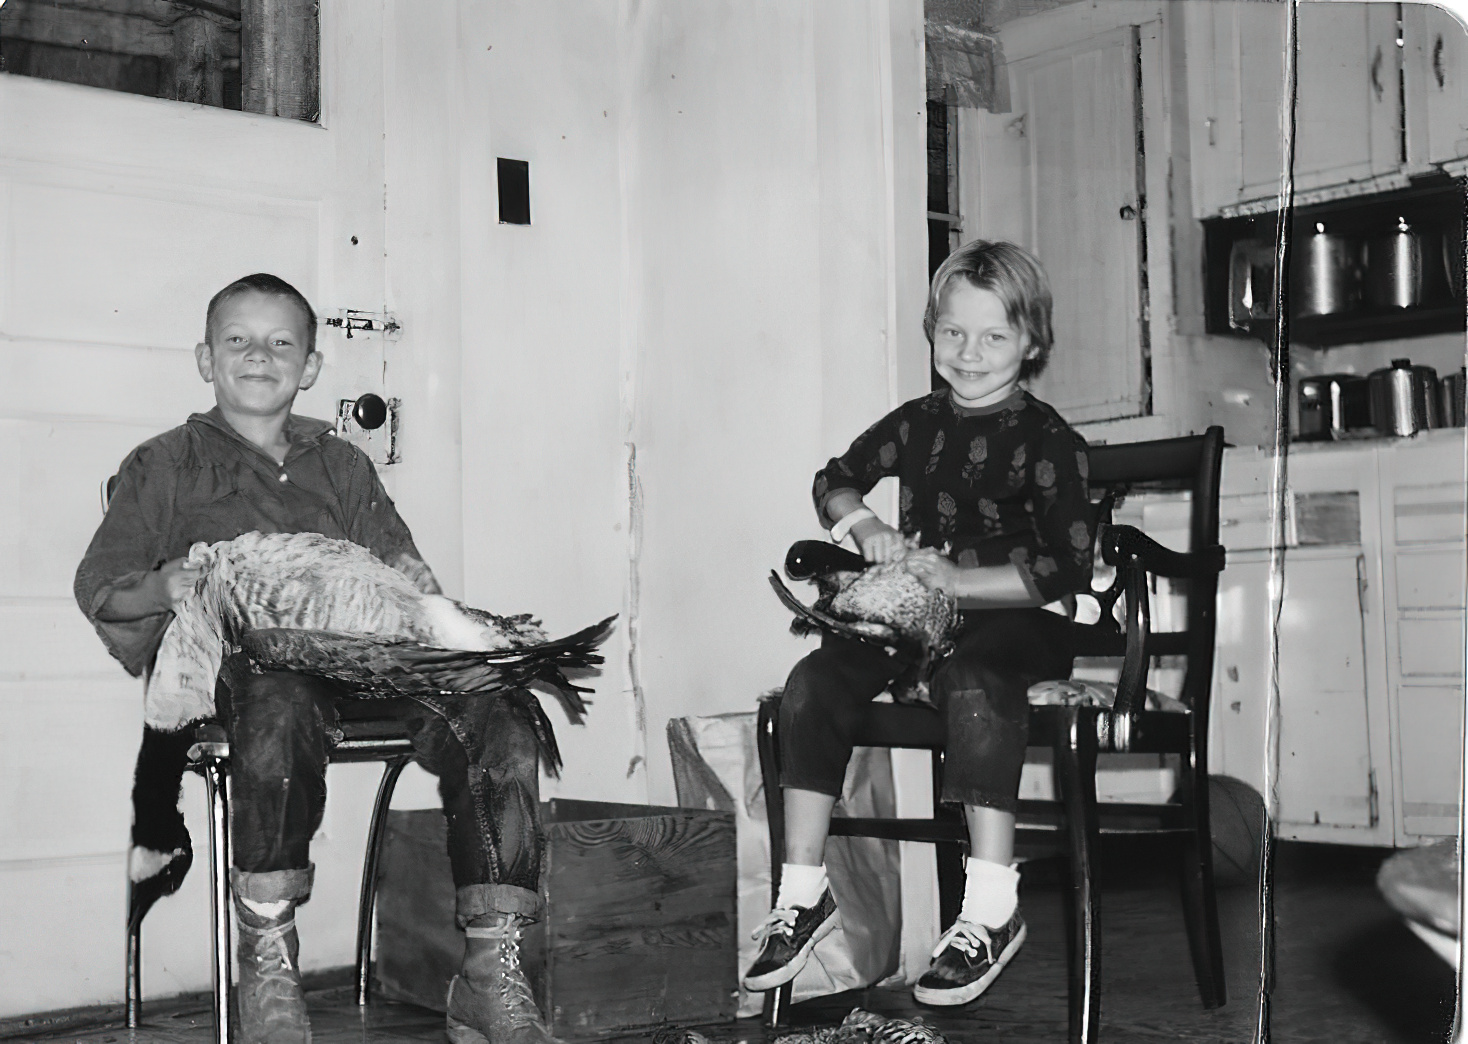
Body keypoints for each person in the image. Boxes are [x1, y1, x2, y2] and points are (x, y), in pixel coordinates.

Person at [75, 274, 558, 1044]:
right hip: (254, 672)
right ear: (205, 359)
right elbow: (101, 587)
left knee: (501, 710)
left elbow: (401, 569)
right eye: (238, 340)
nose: (259, 356)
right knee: (279, 700)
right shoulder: (165, 463)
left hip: (369, 663)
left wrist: (442, 617)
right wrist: (166, 586)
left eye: (280, 343)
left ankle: (490, 972)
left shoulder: (344, 466)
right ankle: (268, 956)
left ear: (310, 366)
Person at [743, 240, 1094, 1007]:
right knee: (812, 682)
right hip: (920, 622)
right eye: (953, 333)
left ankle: (992, 908)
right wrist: (867, 529)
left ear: (1031, 342)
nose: (970, 353)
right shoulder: (917, 422)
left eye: (994, 336)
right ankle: (803, 893)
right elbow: (833, 480)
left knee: (973, 679)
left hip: (1019, 619)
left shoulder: (1048, 440)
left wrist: (962, 581)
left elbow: (1064, 566)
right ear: (932, 330)